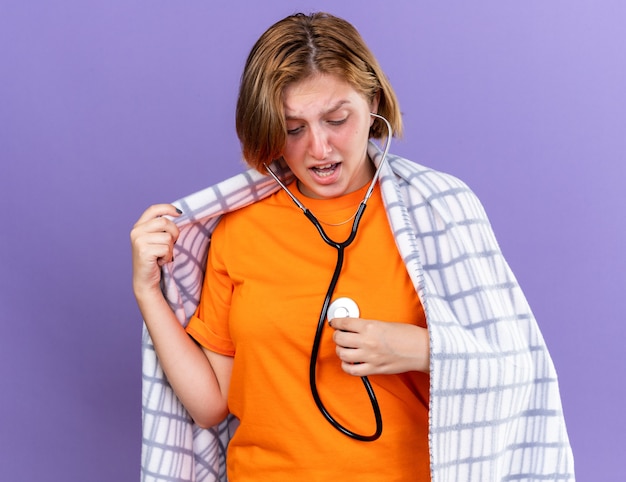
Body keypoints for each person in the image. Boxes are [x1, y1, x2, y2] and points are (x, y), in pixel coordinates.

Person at [131, 12, 574, 482]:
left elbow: (520, 369)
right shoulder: (238, 229)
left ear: (373, 102)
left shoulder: (439, 212)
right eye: (293, 128)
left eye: (336, 119)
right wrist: (148, 293)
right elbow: (210, 405)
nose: (319, 148)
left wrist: (424, 349)